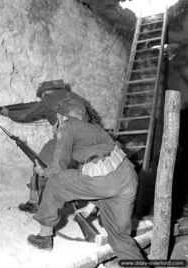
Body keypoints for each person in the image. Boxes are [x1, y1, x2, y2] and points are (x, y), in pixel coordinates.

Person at [27, 98, 144, 261]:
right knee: (120, 239)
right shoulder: (97, 129)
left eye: (58, 116)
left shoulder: (68, 126)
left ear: (63, 116)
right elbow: (105, 173)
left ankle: (44, 237)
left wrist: (43, 172)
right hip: (128, 176)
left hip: (103, 177)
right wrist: (90, 207)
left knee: (55, 183)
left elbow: (59, 167)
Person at [0, 79, 98, 213]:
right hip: (86, 137)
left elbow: (25, 115)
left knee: (39, 164)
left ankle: (33, 202)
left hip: (66, 136)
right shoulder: (76, 97)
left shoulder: (48, 99)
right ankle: (91, 204)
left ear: (46, 91)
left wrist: (8, 113)